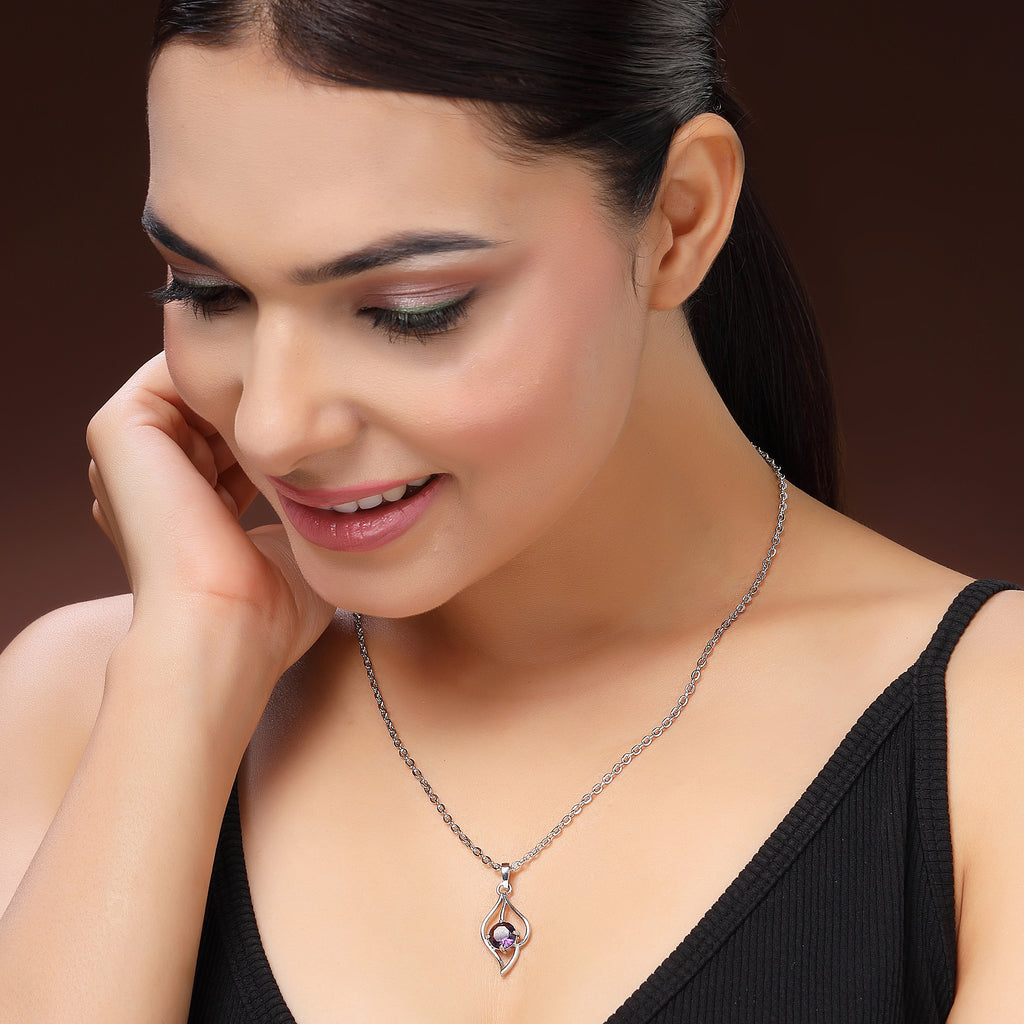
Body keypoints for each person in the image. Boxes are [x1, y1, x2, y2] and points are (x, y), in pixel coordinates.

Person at [0, 1, 1021, 1021]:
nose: (272, 429)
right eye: (206, 291)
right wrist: (187, 665)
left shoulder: (990, 732)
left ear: (678, 218)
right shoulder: (82, 711)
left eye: (408, 310)